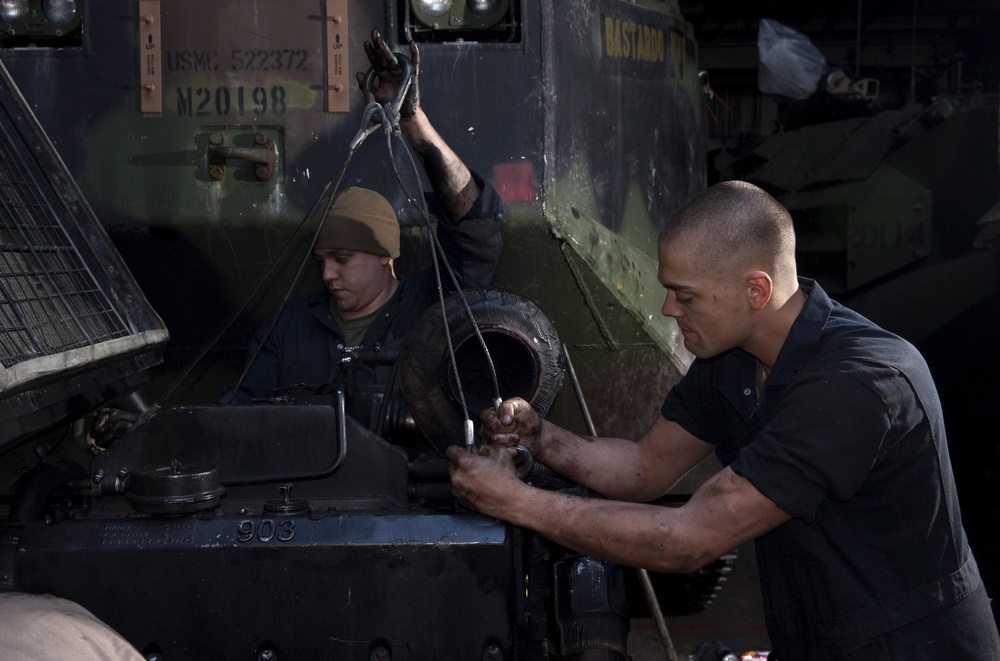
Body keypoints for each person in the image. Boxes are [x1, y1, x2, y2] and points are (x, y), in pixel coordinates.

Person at [448, 180, 1000, 659]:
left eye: (684, 296)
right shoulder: (733, 357)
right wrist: (542, 438)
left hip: (913, 645)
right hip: (817, 634)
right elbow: (644, 467)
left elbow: (688, 540)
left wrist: (517, 502)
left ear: (755, 290)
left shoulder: (859, 381)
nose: (669, 310)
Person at [221, 31, 503, 435]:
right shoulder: (291, 327)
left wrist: (411, 122)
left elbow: (475, 227)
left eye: (343, 259)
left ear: (386, 255)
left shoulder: (433, 307)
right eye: (322, 261)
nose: (327, 275)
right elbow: (240, 411)